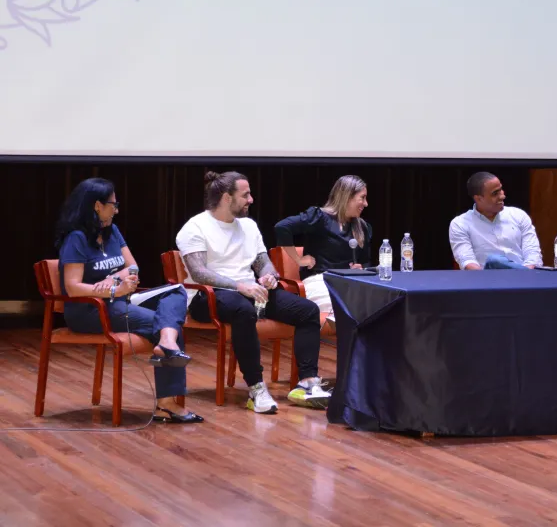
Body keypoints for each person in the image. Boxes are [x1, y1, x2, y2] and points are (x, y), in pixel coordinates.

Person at [176, 171, 331, 413]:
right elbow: (199, 273)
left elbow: (263, 261)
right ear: (226, 198)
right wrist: (239, 285)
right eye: (245, 195)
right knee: (243, 310)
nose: (251, 200)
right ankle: (256, 388)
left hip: (250, 291)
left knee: (308, 310)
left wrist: (269, 276)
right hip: (208, 296)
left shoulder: (249, 225)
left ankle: (307, 382)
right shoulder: (195, 227)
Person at [56, 178, 202, 424]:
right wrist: (114, 290)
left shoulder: (112, 231)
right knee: (168, 324)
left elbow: (133, 267)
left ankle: (166, 343)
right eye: (113, 204)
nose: (116, 210)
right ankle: (166, 403)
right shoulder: (76, 239)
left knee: (176, 292)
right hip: (89, 310)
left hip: (119, 300)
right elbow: (72, 288)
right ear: (97, 206)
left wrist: (114, 279)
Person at [274, 175, 371, 322]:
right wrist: (298, 260)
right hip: (320, 281)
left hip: (350, 283)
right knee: (347, 310)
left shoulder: (361, 227)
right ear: (347, 196)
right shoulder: (320, 218)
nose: (366, 203)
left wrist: (361, 268)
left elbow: (366, 262)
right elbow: (282, 227)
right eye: (362, 198)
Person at [449, 172, 543, 270]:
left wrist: (525, 275)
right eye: (495, 193)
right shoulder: (460, 224)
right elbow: (467, 261)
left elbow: (533, 254)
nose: (502, 196)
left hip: (524, 276)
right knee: (494, 260)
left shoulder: (519, 215)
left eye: (501, 189)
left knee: (496, 261)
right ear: (479, 199)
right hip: (485, 278)